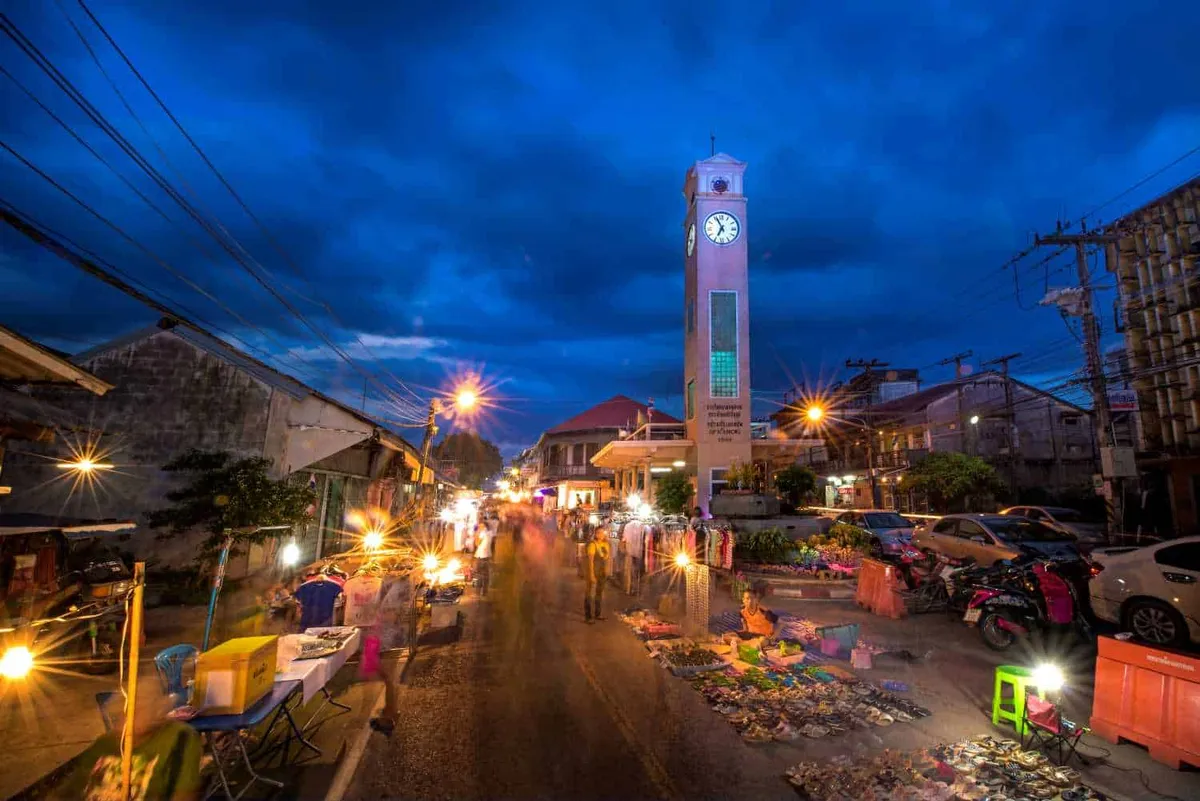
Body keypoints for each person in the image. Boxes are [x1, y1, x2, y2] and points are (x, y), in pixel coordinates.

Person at [58, 669, 203, 800]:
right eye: (124, 710)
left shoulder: (179, 738)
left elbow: (184, 795)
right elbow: (72, 789)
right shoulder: (105, 743)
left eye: (141, 707)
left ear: (158, 710)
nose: (128, 716)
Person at [584, 526, 611, 623]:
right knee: (589, 594)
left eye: (603, 533)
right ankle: (588, 616)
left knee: (599, 593)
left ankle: (597, 614)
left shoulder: (606, 544)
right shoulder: (592, 544)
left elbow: (606, 559)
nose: (601, 535)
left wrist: (607, 570)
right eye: (599, 533)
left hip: (602, 572)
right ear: (595, 534)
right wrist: (591, 574)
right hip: (593, 571)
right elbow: (590, 561)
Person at [474, 521, 494, 596]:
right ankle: (485, 592)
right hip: (487, 555)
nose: (479, 527)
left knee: (479, 574)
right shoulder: (490, 533)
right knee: (486, 575)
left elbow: (477, 543)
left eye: (480, 526)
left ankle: (478, 592)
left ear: (484, 527)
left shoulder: (482, 533)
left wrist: (476, 534)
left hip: (481, 556)